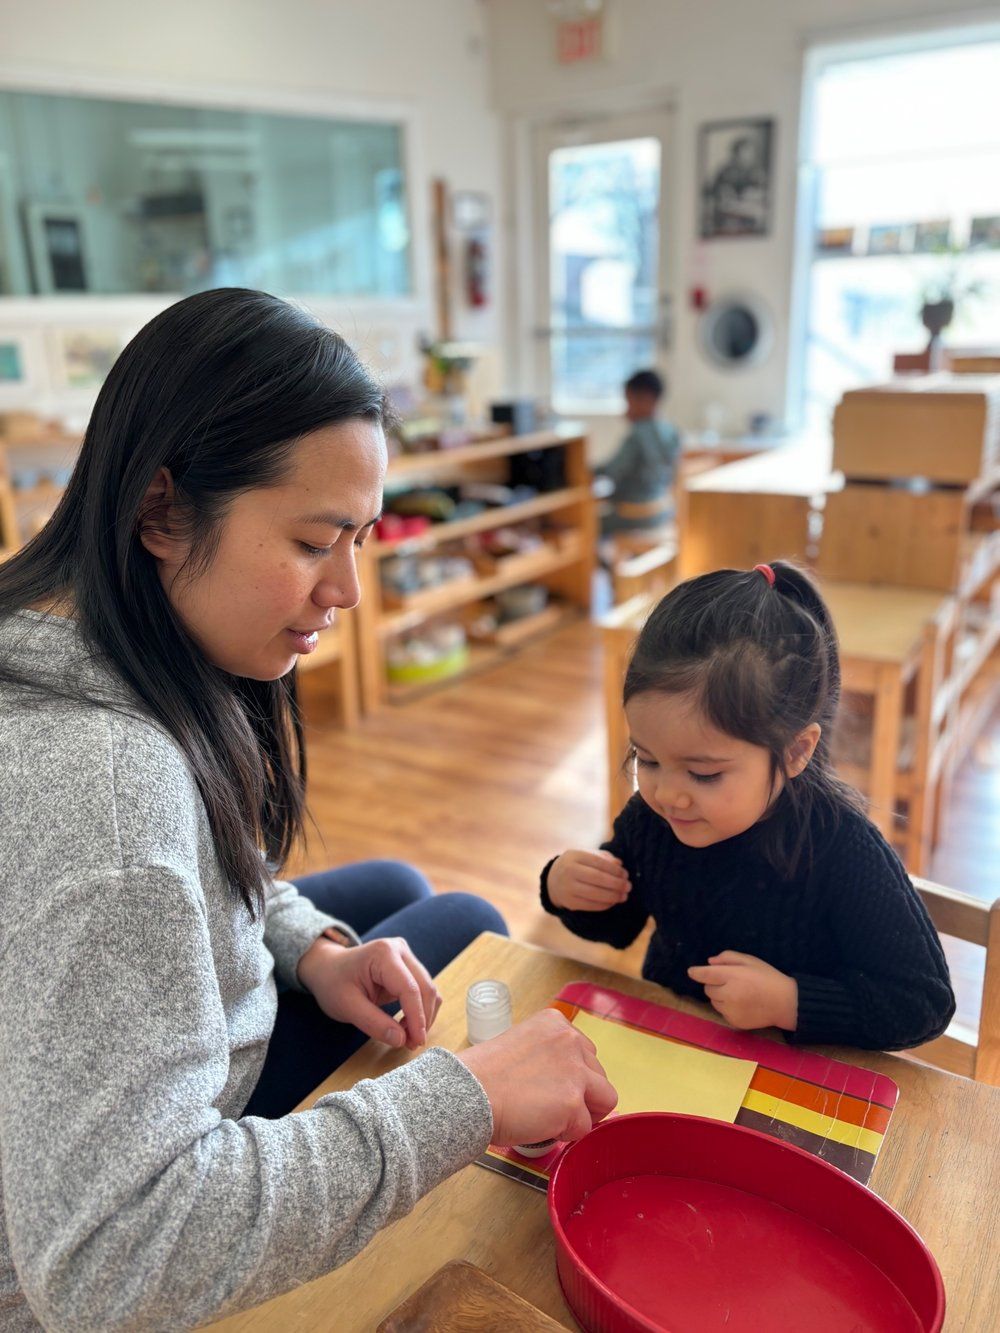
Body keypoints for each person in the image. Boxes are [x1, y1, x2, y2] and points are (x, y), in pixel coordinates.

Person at [0, 288, 617, 1331]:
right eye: (314, 540)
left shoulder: (59, 635)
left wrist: (312, 949)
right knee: (463, 922)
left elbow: (211, 857)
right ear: (159, 511)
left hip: (102, 1088)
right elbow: (108, 1262)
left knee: (392, 898)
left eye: (362, 537)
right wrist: (462, 1099)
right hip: (80, 1252)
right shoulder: (108, 796)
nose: (348, 590)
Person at [540, 561, 955, 1052]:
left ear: (796, 751)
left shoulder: (842, 849)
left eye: (705, 773)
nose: (669, 793)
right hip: (677, 1041)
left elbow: (922, 1002)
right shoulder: (653, 820)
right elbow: (619, 924)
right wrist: (564, 887)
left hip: (802, 1074)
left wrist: (792, 1003)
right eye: (646, 759)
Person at [597, 368, 680, 536]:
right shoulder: (671, 432)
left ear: (645, 400)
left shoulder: (637, 435)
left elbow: (613, 471)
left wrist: (587, 470)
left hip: (634, 513)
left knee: (587, 521)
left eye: (629, 401)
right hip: (661, 510)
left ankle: (603, 561)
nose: (627, 408)